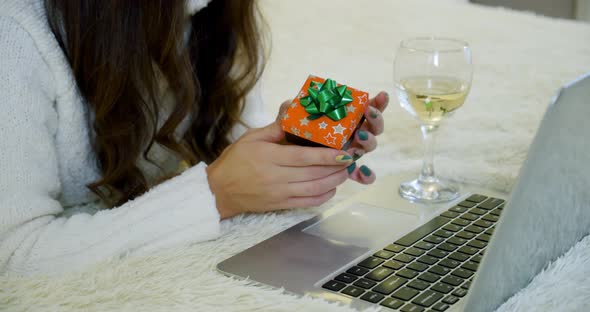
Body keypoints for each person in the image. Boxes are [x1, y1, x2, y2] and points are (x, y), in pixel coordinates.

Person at [0, 0, 388, 276]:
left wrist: (284, 154)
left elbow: (230, 141)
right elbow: (14, 255)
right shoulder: (16, 34)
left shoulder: (214, 12)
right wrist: (215, 194)